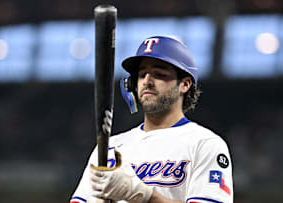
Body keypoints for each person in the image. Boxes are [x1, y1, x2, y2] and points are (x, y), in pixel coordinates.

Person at [70, 36, 233, 203]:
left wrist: (145, 196)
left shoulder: (205, 143)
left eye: (159, 74)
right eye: (141, 75)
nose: (147, 81)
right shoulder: (109, 147)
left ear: (185, 84)